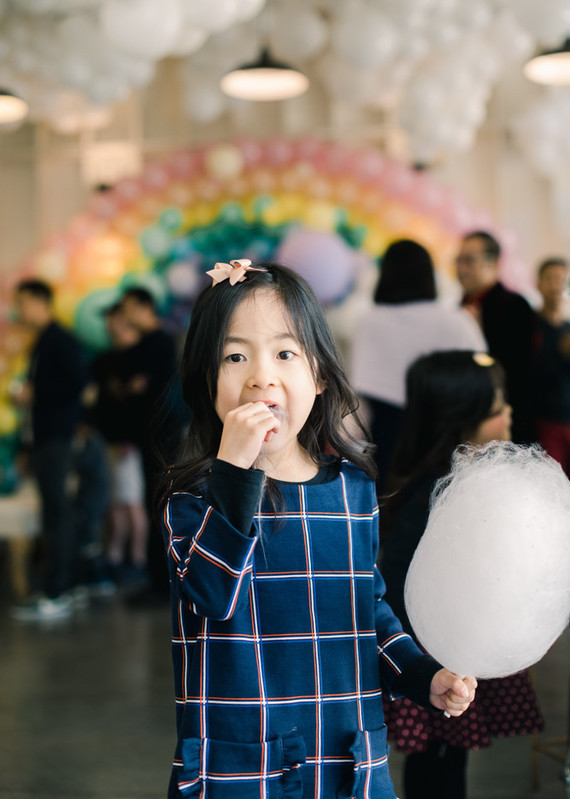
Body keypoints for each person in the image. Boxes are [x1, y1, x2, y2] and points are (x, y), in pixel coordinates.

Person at [158, 258, 477, 799]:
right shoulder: (193, 500)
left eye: (285, 353)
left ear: (320, 375)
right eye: (235, 356)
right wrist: (237, 474)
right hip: (243, 761)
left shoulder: (352, 490)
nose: (262, 376)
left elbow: (367, 610)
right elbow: (211, 597)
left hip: (346, 755)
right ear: (207, 380)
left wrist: (424, 676)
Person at [380, 350, 544, 799]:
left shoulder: (472, 482)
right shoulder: (432, 497)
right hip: (435, 659)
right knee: (438, 760)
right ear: (461, 418)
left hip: (458, 651)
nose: (509, 412)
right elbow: (393, 585)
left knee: (447, 757)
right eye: (496, 407)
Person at [351, 240, 485, 492]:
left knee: (390, 515)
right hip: (447, 436)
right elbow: (483, 376)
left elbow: (357, 395)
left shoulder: (368, 322)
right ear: (429, 274)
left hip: (388, 438)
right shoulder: (456, 321)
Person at [10, 278, 88, 620]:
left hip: (57, 437)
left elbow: (75, 385)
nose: (19, 309)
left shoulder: (61, 339)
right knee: (51, 511)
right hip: (43, 438)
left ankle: (61, 590)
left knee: (57, 511)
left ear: (42, 302)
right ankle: (55, 586)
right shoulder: (41, 341)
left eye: (23, 302)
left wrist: (35, 394)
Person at [120, 286, 183, 600]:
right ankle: (157, 580)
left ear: (145, 307)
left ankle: (161, 584)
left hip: (162, 439)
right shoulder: (149, 343)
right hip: (153, 439)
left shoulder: (159, 342)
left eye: (129, 307)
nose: (125, 315)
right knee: (153, 505)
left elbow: (146, 389)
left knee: (159, 506)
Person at [456, 230, 535, 443]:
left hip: (507, 423)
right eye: (458, 260)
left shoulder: (515, 306)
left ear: (493, 263)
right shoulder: (459, 308)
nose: (460, 269)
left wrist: (477, 337)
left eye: (469, 261)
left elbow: (519, 371)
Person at [89, 303, 148, 589]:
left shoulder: (138, 356)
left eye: (114, 318)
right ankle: (116, 558)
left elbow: (136, 407)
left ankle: (136, 560)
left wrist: (126, 439)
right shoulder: (107, 359)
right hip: (111, 442)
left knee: (132, 504)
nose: (110, 325)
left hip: (128, 444)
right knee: (117, 505)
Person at [532, 257, 570, 475]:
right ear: (538, 283)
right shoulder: (530, 325)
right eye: (550, 279)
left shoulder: (567, 327)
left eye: (561, 280)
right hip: (545, 422)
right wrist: (560, 352)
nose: (556, 285)